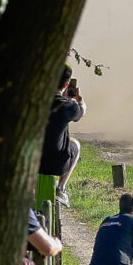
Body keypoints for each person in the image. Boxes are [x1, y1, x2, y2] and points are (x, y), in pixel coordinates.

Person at [40, 65, 86, 206]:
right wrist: (79, 100)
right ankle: (61, 188)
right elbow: (82, 111)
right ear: (66, 84)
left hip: (31, 161)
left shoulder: (33, 101)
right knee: (76, 144)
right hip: (56, 165)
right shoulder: (67, 106)